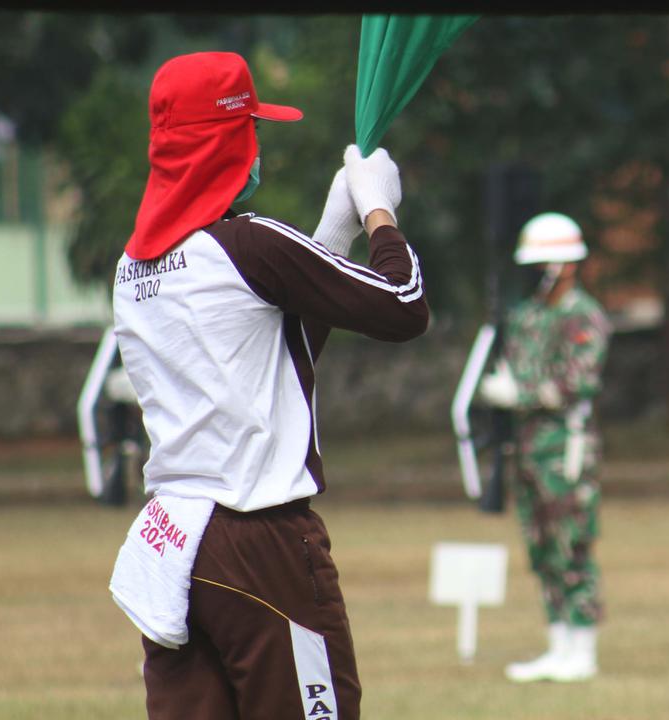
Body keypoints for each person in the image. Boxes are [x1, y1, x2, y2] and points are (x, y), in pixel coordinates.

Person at [106, 51, 428, 720]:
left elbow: (271, 360)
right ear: (228, 143)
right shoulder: (250, 244)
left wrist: (329, 232)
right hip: (263, 543)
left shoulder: (131, 268)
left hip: (176, 543)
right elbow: (403, 305)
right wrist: (377, 212)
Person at [476, 212, 611, 683]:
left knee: (572, 546)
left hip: (565, 450)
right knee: (540, 547)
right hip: (527, 447)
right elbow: (514, 364)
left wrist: (523, 394)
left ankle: (583, 646)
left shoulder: (583, 314)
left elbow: (577, 383)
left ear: (567, 264)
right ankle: (558, 643)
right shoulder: (527, 313)